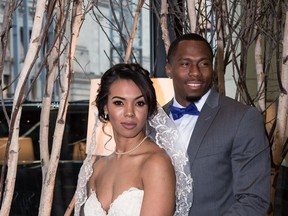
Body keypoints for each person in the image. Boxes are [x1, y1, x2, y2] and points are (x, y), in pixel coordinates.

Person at [164, 33, 271, 216]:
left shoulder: (242, 118)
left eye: (204, 64)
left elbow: (253, 200)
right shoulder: (153, 120)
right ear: (169, 69)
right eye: (185, 64)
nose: (195, 72)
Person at [74, 63, 193, 216]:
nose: (129, 113)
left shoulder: (156, 163)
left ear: (149, 109)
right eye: (119, 103)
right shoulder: (97, 168)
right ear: (105, 107)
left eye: (139, 103)